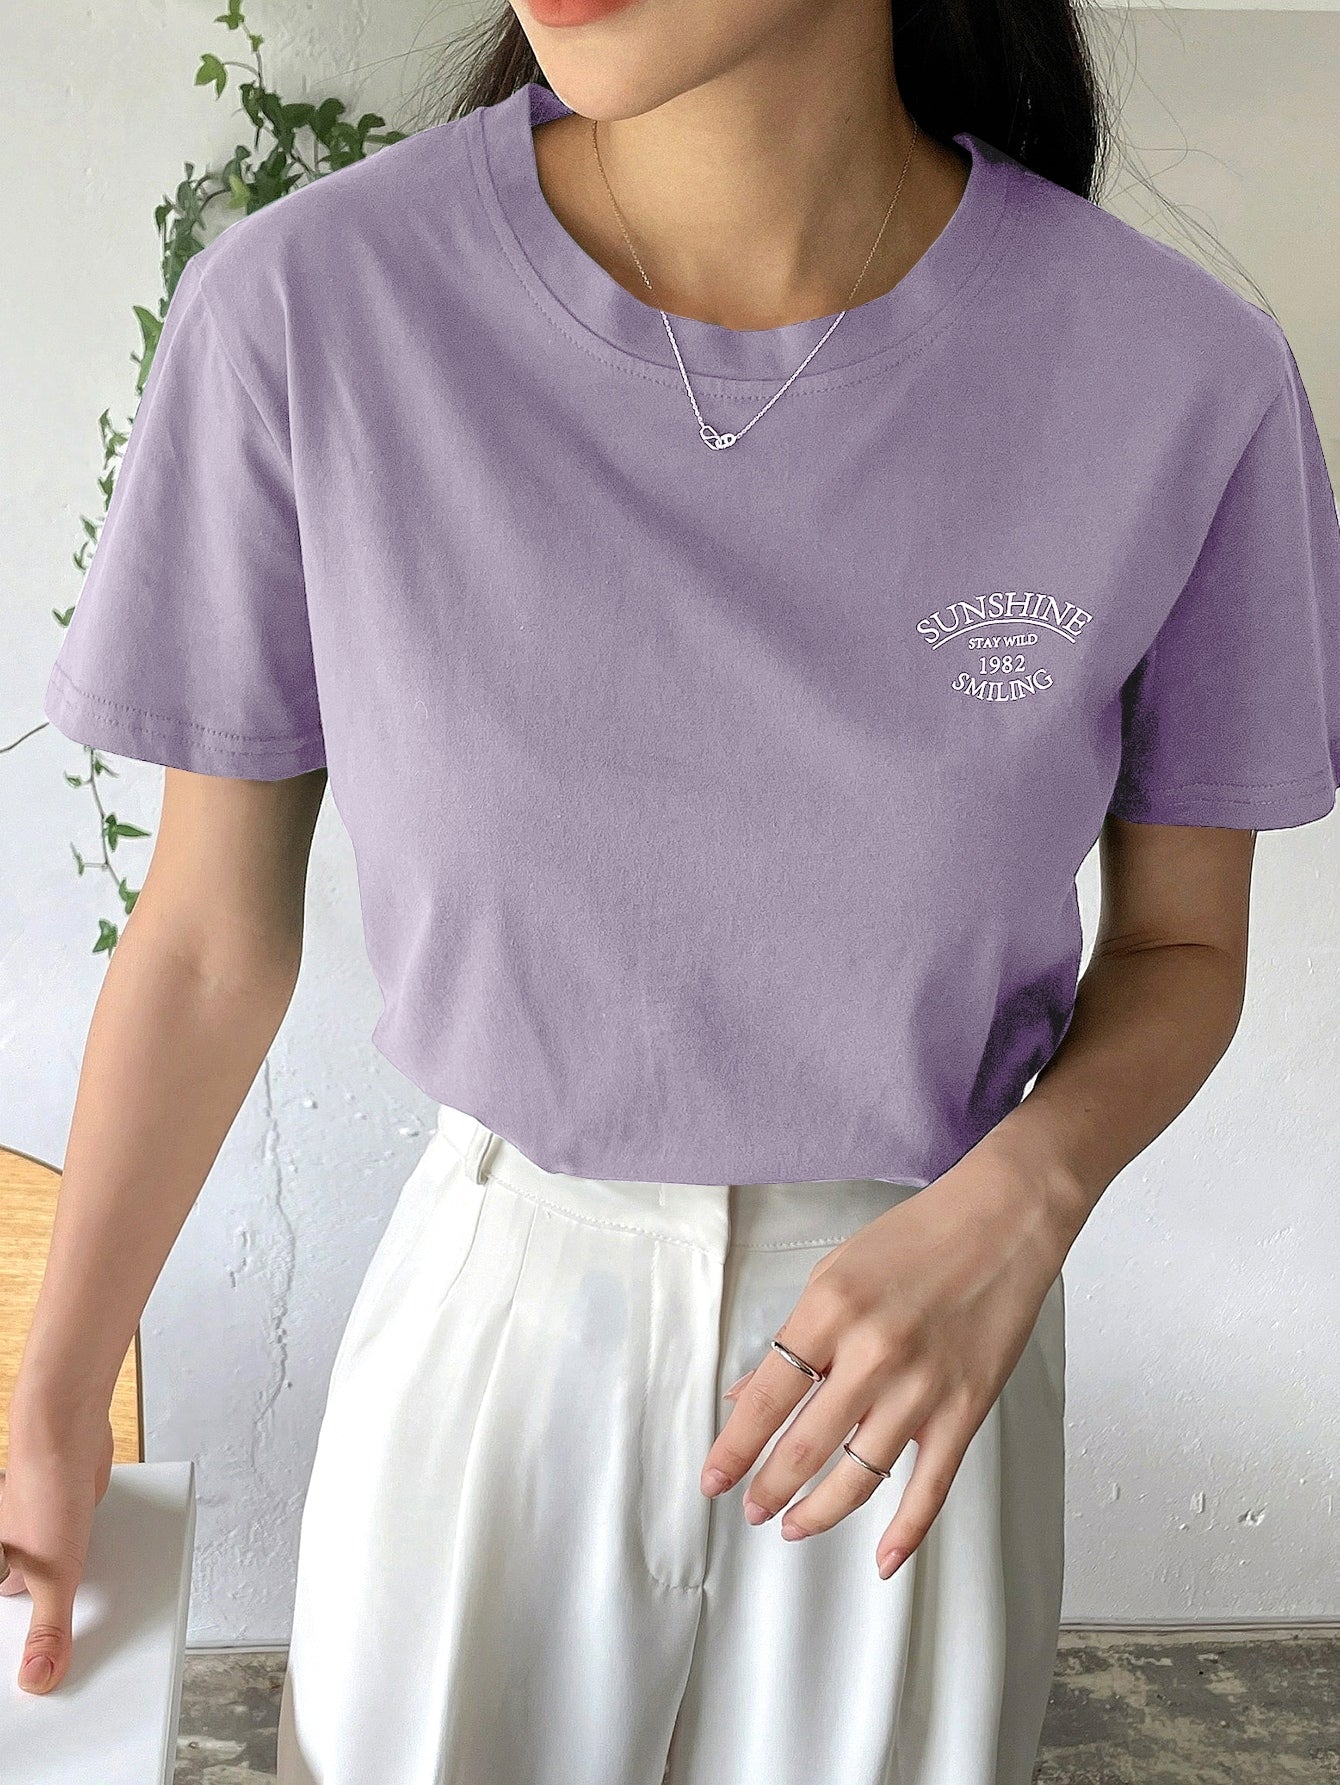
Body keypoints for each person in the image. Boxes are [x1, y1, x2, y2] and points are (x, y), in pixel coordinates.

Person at [5, 1, 1338, 1781]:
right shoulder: (313, 310)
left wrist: (1027, 1200)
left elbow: (1181, 943)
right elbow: (203, 938)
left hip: (915, 1366)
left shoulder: (1178, 378)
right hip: (495, 1335)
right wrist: (55, 1389)